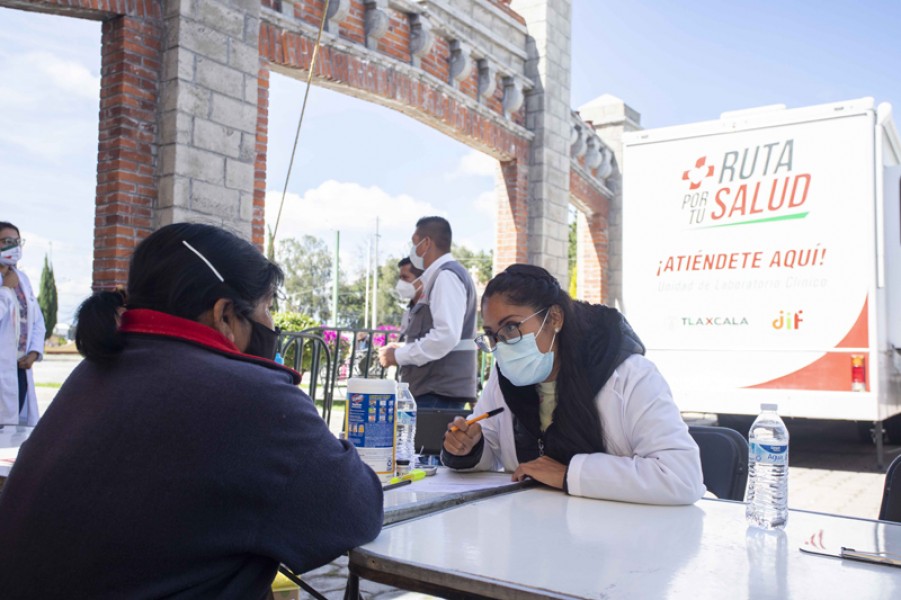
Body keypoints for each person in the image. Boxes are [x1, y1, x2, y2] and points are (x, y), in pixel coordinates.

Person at [0, 223, 383, 598]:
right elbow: (354, 511)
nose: (272, 325)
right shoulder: (251, 394)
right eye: (268, 308)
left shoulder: (95, 369)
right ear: (225, 314)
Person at [441, 264, 705, 505]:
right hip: (531, 537)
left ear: (555, 318)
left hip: (619, 542)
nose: (500, 346)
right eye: (491, 334)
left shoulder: (630, 375)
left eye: (511, 327)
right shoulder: (504, 380)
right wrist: (471, 447)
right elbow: (493, 452)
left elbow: (681, 477)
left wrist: (569, 474)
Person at [378, 216, 477, 410]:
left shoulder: (446, 276)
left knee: (427, 441)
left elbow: (445, 336)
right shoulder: (440, 276)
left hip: (438, 392)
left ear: (426, 243)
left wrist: (398, 355)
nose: (412, 250)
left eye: (414, 243)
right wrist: (400, 347)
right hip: (436, 390)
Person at [0, 222, 45, 426]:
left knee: (12, 431)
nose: (14, 247)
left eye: (17, 242)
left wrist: (34, 352)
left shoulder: (23, 279)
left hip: (19, 368)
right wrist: (5, 291)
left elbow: (36, 320)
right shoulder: (9, 284)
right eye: (7, 242)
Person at [394, 256, 423, 341]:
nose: (401, 283)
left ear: (420, 280)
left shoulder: (430, 309)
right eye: (400, 278)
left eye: (405, 277)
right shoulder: (408, 312)